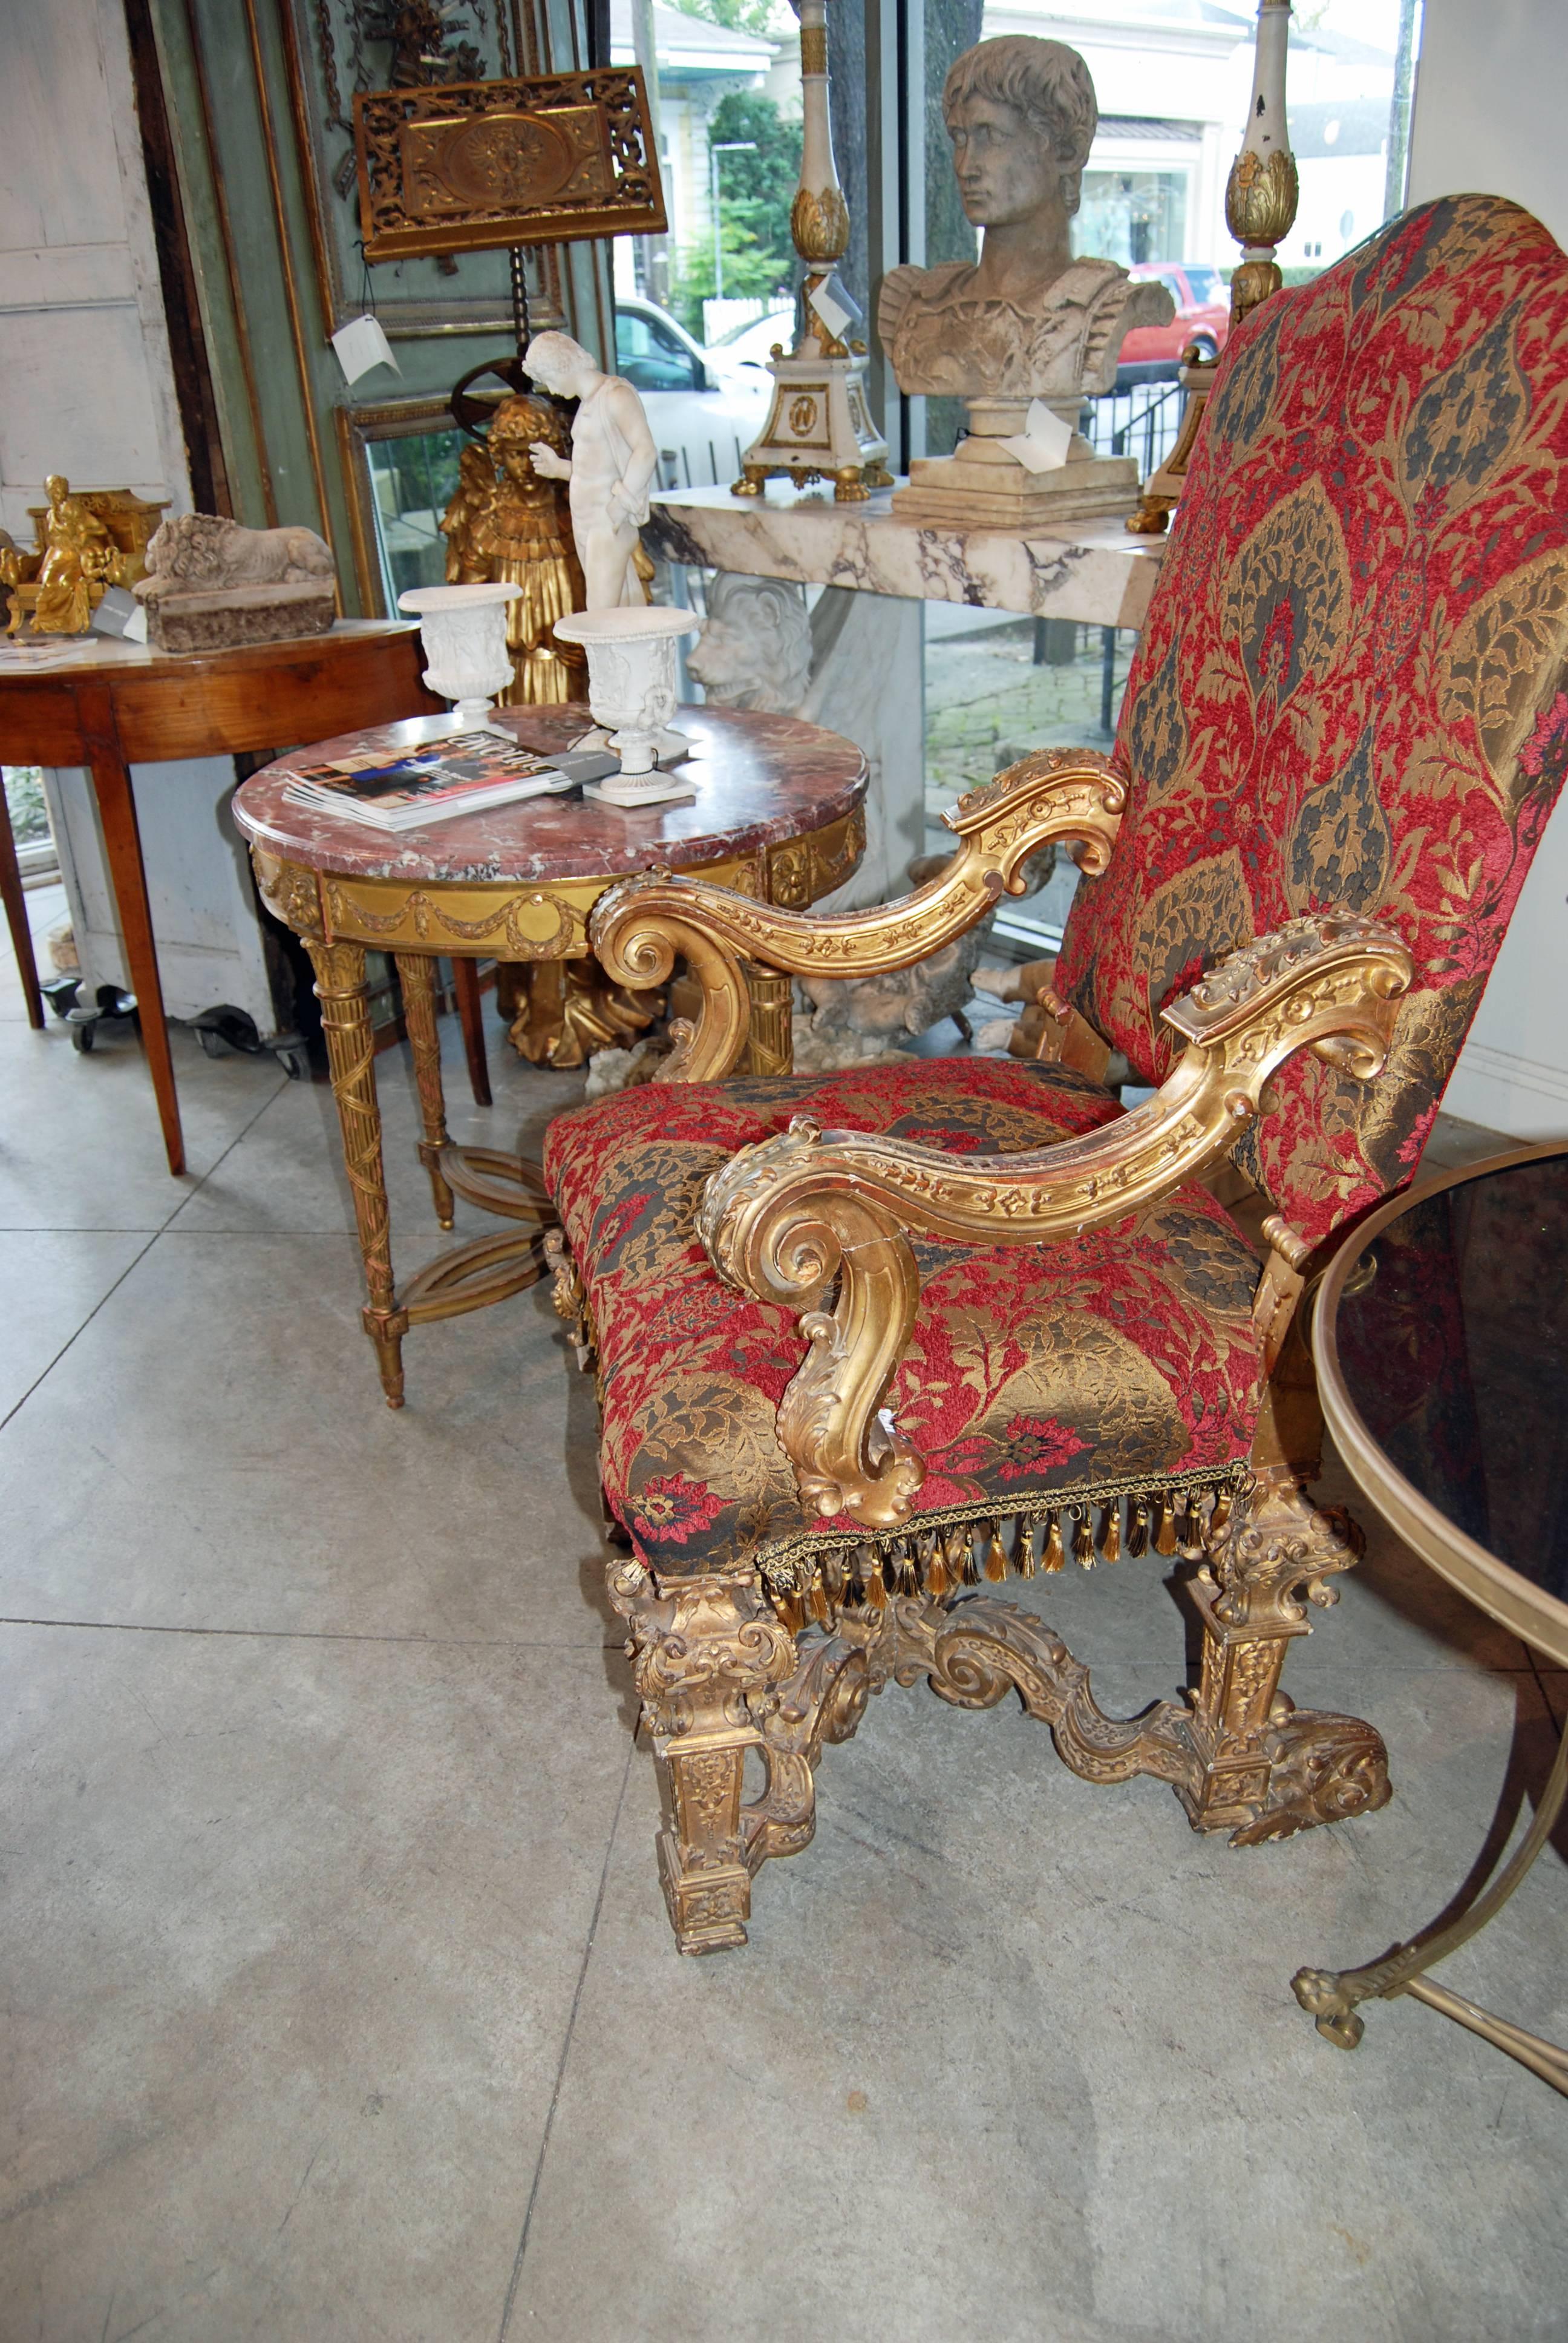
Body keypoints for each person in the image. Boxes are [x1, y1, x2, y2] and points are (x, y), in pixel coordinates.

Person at [878, 37, 1168, 404]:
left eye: (992, 136)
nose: (967, 167)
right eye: (960, 138)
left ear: (1067, 150)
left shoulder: (1100, 309)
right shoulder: (920, 304)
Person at [440, 399, 586, 703]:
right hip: (513, 671)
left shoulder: (577, 510)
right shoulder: (490, 520)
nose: (527, 467)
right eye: (517, 455)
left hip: (578, 667)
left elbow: (607, 580)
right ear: (500, 455)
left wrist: (591, 637)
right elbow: (468, 603)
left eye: (536, 453)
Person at [523, 332, 658, 609]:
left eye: (549, 379)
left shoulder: (616, 396)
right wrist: (558, 467)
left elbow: (645, 452)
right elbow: (593, 472)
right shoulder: (588, 403)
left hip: (606, 523)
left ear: (562, 365)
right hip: (587, 522)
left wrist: (621, 506)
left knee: (600, 618)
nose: (550, 388)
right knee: (624, 611)